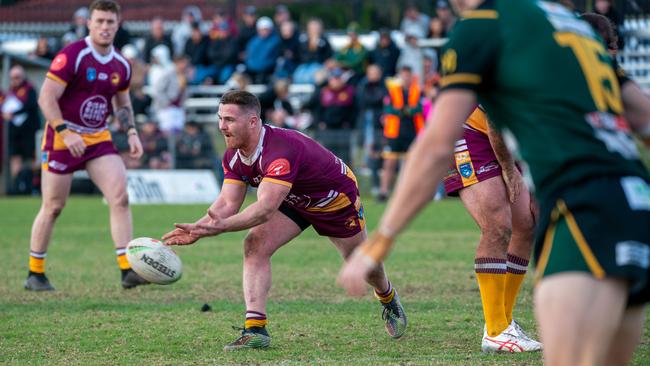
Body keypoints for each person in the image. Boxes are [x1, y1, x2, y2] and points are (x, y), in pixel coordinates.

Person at [338, 1, 649, 365]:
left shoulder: (483, 26)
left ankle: (499, 328)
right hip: (633, 199)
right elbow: (642, 117)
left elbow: (438, 144)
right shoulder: (572, 25)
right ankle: (499, 327)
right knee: (504, 223)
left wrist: (380, 243)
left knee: (523, 231)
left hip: (579, 202)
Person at [163, 90, 407, 350]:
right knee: (255, 244)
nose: (222, 127)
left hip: (332, 200)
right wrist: (200, 228)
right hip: (291, 199)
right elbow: (226, 204)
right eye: (220, 119)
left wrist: (219, 228)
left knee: (363, 264)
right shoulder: (233, 155)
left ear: (253, 121)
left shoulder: (279, 150)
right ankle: (256, 330)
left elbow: (264, 209)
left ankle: (387, 296)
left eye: (230, 120)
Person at [26, 0, 146, 291]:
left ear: (118, 25)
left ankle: (126, 269)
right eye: (100, 21)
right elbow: (46, 98)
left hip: (97, 138)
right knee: (54, 206)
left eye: (110, 22)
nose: (105, 27)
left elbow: (121, 100)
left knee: (120, 197)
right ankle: (35, 273)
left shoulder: (120, 64)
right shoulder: (73, 55)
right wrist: (66, 133)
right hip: (62, 137)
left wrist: (131, 131)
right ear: (89, 23)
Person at [442, 107, 541, 352]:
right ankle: (496, 331)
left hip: (508, 139)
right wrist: (509, 170)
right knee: (497, 226)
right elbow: (495, 116)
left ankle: (503, 324)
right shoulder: (518, 70)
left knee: (526, 225)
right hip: (466, 130)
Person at [377, 66, 424, 202]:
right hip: (394, 133)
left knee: (411, 163)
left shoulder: (417, 90)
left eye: (408, 76)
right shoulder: (392, 90)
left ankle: (408, 193)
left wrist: (404, 111)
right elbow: (389, 109)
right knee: (389, 162)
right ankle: (383, 192)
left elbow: (420, 108)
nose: (406, 79)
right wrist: (407, 111)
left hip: (413, 132)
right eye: (403, 76)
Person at [2, 66, 40, 192]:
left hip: (29, 132)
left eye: (17, 77)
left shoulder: (30, 89)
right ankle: (17, 186)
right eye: (12, 77)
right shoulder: (10, 92)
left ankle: (33, 185)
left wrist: (14, 113)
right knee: (15, 158)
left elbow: (31, 105)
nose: (15, 80)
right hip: (14, 133)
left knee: (31, 159)